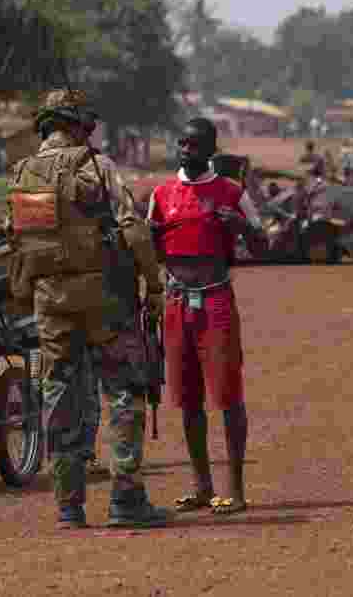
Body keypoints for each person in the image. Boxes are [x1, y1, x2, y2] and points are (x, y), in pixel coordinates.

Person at [5, 88, 172, 529]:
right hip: (106, 299)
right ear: (79, 125)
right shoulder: (96, 166)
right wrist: (153, 285)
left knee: (59, 392)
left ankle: (69, 506)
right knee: (122, 390)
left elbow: (20, 241)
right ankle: (125, 498)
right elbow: (132, 228)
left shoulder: (24, 174)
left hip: (51, 303)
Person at [147, 117, 269, 517]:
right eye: (182, 143)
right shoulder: (162, 194)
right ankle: (202, 486)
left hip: (215, 298)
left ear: (211, 149)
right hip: (177, 300)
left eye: (195, 144)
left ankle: (235, 489)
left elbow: (263, 244)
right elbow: (150, 247)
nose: (186, 150)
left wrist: (240, 227)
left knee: (228, 394)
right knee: (187, 398)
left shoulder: (232, 192)